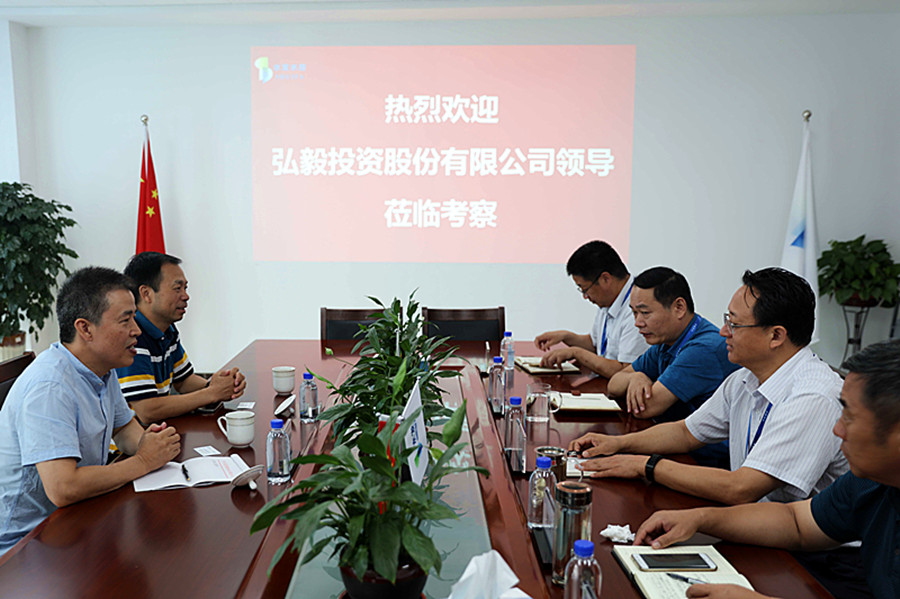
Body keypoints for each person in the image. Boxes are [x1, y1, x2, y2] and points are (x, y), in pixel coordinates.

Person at [633, 339, 900, 599]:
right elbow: (795, 522)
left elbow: (743, 488)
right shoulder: (867, 482)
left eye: (850, 417)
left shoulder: (814, 395)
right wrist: (701, 519)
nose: (838, 429)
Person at [569, 268, 847, 505]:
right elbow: (685, 432)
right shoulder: (744, 378)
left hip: (801, 546)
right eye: (726, 320)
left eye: (734, 324)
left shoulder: (812, 397)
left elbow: (741, 488)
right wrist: (617, 444)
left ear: (776, 336)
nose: (723, 332)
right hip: (754, 518)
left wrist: (645, 465)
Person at [0, 267, 181, 555]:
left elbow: (125, 430)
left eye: (135, 317)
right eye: (125, 320)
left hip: (73, 520)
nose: (136, 330)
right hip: (24, 545)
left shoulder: (101, 368)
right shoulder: (50, 386)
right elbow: (64, 487)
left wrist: (153, 443)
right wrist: (144, 461)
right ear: (85, 329)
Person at [116, 252, 246, 423]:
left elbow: (184, 381)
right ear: (146, 294)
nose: (186, 296)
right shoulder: (132, 337)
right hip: (135, 438)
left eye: (185, 288)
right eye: (177, 289)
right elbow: (147, 410)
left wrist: (219, 385)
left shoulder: (167, 329)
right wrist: (211, 393)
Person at [608, 266, 739, 422]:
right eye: (634, 313)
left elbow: (645, 408)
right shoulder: (665, 342)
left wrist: (635, 382)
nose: (637, 322)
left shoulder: (703, 349)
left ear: (679, 308)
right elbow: (613, 384)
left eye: (645, 313)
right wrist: (636, 377)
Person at [534, 240, 647, 378]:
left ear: (605, 279)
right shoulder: (609, 300)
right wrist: (566, 336)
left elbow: (625, 371)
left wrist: (576, 353)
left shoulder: (637, 309)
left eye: (585, 289)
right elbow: (596, 346)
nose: (585, 297)